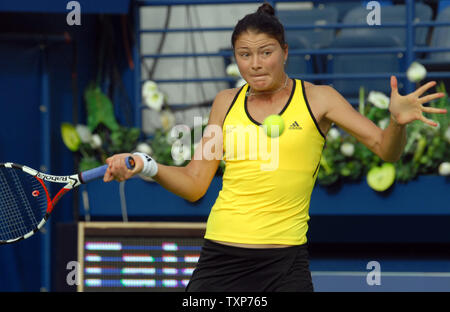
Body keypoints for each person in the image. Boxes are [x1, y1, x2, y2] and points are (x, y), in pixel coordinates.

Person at [103, 3, 447, 292]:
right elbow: (195, 183)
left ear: (285, 52)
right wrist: (147, 165)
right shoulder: (225, 102)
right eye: (244, 55)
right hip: (221, 260)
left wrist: (397, 124)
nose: (255, 64)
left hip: (285, 265)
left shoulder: (319, 99)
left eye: (265, 53)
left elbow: (387, 151)